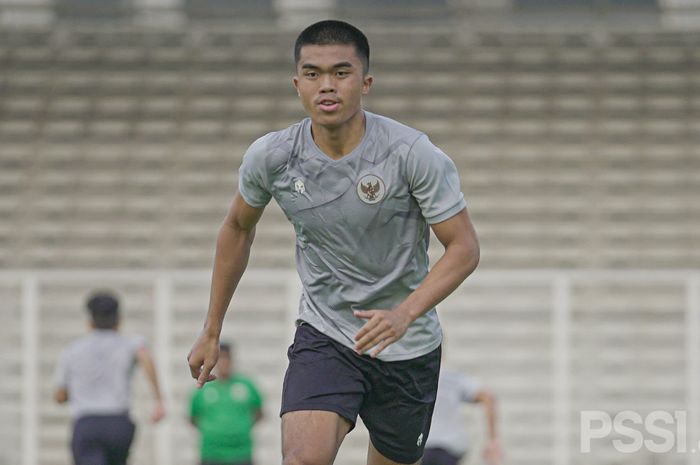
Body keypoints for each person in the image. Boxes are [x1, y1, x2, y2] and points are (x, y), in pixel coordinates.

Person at [187, 19, 480, 465]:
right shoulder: (273, 156)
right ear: (297, 84)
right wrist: (212, 329)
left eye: (341, 73)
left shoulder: (411, 153)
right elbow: (237, 228)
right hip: (325, 333)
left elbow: (464, 248)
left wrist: (404, 313)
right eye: (313, 74)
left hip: (407, 345)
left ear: (365, 82)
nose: (326, 85)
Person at [53, 291, 166, 465]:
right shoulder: (128, 343)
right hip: (118, 424)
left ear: (89, 322)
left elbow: (60, 396)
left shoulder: (72, 350)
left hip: (87, 423)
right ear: (119, 320)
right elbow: (145, 355)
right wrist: (158, 399)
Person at [189, 343, 264, 465]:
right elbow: (193, 417)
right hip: (211, 453)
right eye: (220, 359)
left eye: (226, 358)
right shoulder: (203, 387)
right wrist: (213, 431)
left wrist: (240, 428)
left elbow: (259, 413)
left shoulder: (246, 385)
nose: (224, 362)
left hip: (241, 453)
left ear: (232, 360)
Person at [422, 371, 503, 465]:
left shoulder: (414, 379)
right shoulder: (452, 379)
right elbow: (487, 397)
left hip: (422, 447)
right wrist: (492, 439)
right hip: (448, 447)